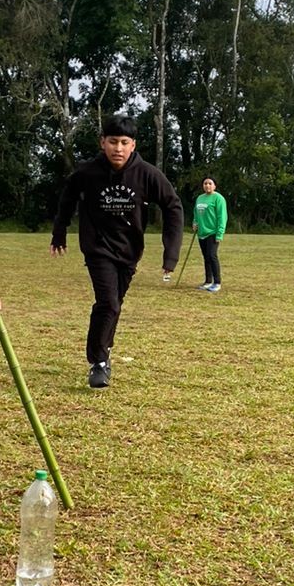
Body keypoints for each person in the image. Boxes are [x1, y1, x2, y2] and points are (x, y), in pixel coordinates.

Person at [51, 112, 183, 389]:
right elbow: (67, 197)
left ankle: (105, 349)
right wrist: (59, 232)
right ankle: (98, 362)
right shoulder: (87, 172)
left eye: (124, 142)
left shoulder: (147, 174)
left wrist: (170, 253)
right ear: (102, 142)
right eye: (113, 142)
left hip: (129, 250)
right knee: (108, 303)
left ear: (133, 144)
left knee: (114, 304)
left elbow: (173, 206)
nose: (118, 148)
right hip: (97, 248)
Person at [192, 174, 228, 293]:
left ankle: (217, 282)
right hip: (201, 233)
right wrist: (195, 223)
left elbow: (222, 217)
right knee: (206, 257)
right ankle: (208, 281)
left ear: (214, 186)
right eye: (205, 183)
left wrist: (220, 233)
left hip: (212, 232)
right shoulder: (200, 198)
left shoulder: (219, 198)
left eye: (210, 183)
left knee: (212, 256)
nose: (207, 185)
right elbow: (196, 213)